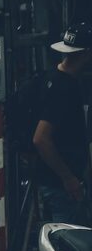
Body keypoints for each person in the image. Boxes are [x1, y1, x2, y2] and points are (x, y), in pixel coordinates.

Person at [34, 23, 92, 225]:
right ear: (85, 53)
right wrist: (68, 179)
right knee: (67, 247)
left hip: (55, 184)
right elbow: (41, 139)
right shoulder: (63, 87)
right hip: (60, 187)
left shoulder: (54, 78)